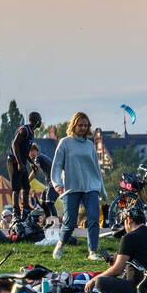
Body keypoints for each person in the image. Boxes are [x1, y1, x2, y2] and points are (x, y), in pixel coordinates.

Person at [49, 111, 105, 261]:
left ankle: (92, 251)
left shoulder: (89, 145)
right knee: (70, 222)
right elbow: (56, 166)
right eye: (80, 125)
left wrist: (102, 190)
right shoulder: (65, 143)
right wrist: (57, 184)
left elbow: (96, 169)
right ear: (74, 125)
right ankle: (60, 245)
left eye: (85, 125)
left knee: (93, 219)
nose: (83, 128)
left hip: (91, 186)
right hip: (71, 187)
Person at [90, 207, 147, 293]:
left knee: (100, 282)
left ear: (129, 220)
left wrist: (94, 279)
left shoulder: (129, 237)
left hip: (144, 288)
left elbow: (117, 270)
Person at [7, 111, 42, 215]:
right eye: (40, 120)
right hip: (14, 161)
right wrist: (19, 163)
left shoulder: (32, 132)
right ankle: (16, 210)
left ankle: (26, 208)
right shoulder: (24, 130)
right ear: (36, 121)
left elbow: (25, 151)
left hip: (21, 162)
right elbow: (14, 145)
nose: (41, 122)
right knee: (16, 188)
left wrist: (31, 163)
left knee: (26, 187)